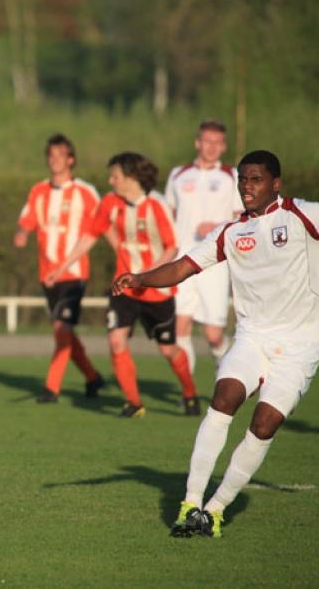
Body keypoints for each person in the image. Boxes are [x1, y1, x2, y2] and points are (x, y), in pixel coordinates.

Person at [114, 150, 319, 538]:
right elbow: (182, 267)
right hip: (253, 338)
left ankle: (216, 509)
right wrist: (139, 279)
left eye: (256, 179)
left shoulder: (302, 215)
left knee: (264, 424)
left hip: (301, 346)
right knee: (224, 398)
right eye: (242, 179)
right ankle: (191, 501)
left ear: (275, 183)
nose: (247, 187)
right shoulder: (231, 232)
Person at [47, 152, 199, 418]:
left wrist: (146, 275)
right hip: (123, 287)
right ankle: (134, 403)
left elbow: (172, 247)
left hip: (156, 291)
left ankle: (189, 394)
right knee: (116, 340)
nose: (111, 180)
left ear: (130, 178)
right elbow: (89, 236)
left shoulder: (157, 205)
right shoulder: (110, 203)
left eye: (115, 176)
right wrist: (62, 267)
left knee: (168, 349)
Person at [14, 133, 106, 403]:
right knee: (62, 329)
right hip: (47, 273)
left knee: (62, 329)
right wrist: (21, 233)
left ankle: (51, 388)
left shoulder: (85, 192)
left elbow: (101, 224)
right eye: (51, 156)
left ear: (71, 160)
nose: (55, 161)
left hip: (74, 272)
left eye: (60, 156)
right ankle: (92, 376)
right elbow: (27, 220)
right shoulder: (38, 191)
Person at [164, 119, 243, 372]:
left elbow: (242, 219)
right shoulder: (178, 175)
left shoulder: (231, 176)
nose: (211, 147)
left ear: (223, 146)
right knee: (180, 328)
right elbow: (168, 215)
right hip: (182, 262)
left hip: (214, 264)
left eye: (217, 142)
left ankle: (233, 378)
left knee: (213, 335)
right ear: (198, 143)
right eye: (207, 141)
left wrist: (216, 226)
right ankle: (187, 393)